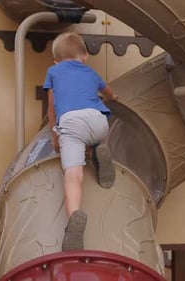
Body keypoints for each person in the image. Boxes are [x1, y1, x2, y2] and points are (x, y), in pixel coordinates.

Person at [43, 31, 118, 251]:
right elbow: (108, 91)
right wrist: (114, 97)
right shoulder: (91, 72)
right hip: (99, 123)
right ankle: (99, 150)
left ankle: (74, 217)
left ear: (56, 61)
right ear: (84, 56)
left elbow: (52, 107)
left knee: (73, 175)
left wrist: (55, 135)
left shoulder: (53, 72)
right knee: (96, 133)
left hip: (71, 125)